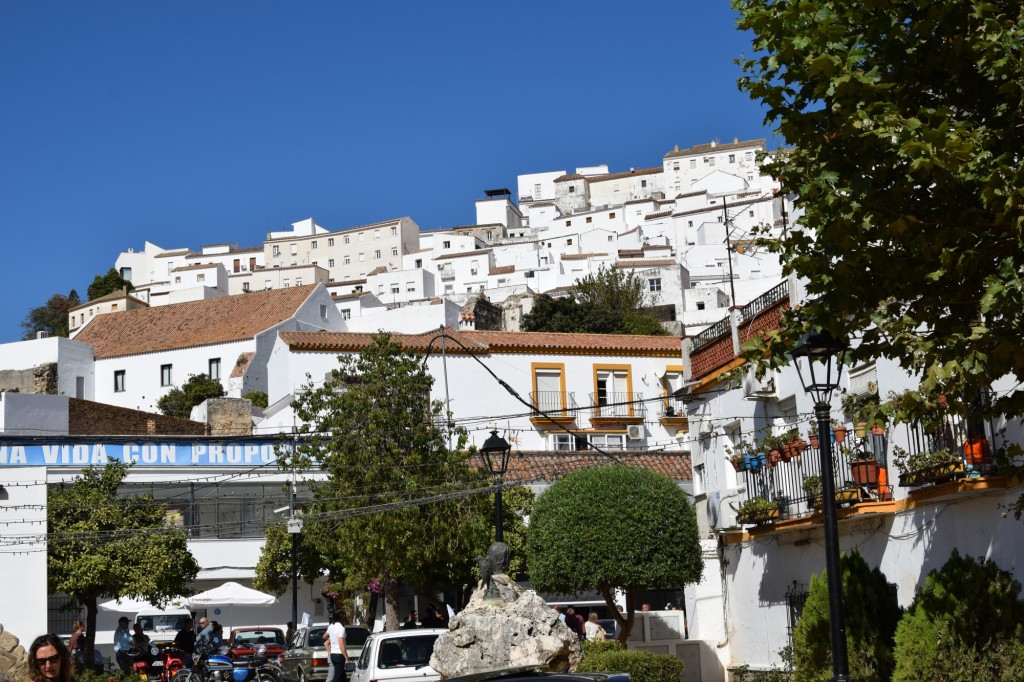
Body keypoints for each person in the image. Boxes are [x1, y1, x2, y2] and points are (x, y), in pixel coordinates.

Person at [326, 613, 349, 682]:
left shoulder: (331, 626)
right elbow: (341, 644)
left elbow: (324, 636)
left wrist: (332, 638)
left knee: (342, 676)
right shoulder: (341, 628)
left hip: (333, 654)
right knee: (337, 677)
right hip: (339, 655)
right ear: (342, 618)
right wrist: (346, 657)